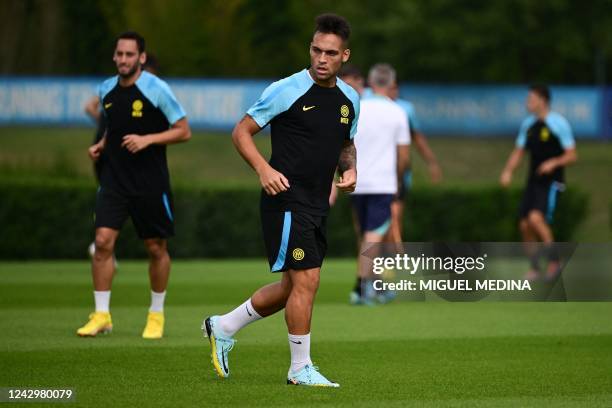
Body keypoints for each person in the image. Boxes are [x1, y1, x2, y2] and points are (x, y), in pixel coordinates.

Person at [202, 14, 359, 387]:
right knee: (307, 281)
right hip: (285, 200)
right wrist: (262, 170)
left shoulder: (350, 99)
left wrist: (349, 170)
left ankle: (223, 326)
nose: (321, 58)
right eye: (316, 50)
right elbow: (241, 131)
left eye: (330, 53)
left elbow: (346, 143)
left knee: (292, 288)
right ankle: (299, 368)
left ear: (345, 56)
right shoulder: (286, 89)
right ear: (310, 48)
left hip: (317, 203)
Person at [76, 32, 191, 339]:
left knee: (156, 248)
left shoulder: (157, 89)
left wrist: (148, 140)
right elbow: (114, 125)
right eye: (119, 54)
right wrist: (101, 144)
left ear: (141, 58)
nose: (123, 60)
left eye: (129, 55)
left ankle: (156, 314)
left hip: (150, 182)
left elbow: (183, 131)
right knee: (102, 242)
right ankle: (101, 315)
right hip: (114, 180)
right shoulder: (106, 89)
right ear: (114, 57)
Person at [84, 54, 160, 260]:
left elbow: (89, 107)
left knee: (113, 196)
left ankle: (104, 243)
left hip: (113, 154)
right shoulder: (118, 89)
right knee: (116, 196)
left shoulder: (117, 89)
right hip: (114, 156)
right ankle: (102, 242)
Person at [500, 85, 577, 281]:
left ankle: (554, 261)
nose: (528, 102)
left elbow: (572, 155)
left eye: (531, 99)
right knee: (525, 225)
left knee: (536, 219)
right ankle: (534, 268)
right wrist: (508, 171)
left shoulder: (558, 123)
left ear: (543, 100)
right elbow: (518, 152)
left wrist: (553, 162)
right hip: (532, 181)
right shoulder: (528, 125)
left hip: (552, 181)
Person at [348, 64, 410, 305]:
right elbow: (403, 156)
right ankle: (362, 288)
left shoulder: (357, 108)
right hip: (382, 184)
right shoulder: (397, 112)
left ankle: (375, 286)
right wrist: (398, 179)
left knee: (365, 236)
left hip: (358, 181)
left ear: (370, 83)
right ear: (391, 83)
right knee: (373, 237)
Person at [388, 81, 442, 243]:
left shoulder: (405, 109)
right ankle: (373, 261)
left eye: (394, 87)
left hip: (398, 169)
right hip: (374, 170)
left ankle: (390, 260)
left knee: (395, 216)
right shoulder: (368, 104)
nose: (392, 91)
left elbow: (417, 138)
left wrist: (432, 163)